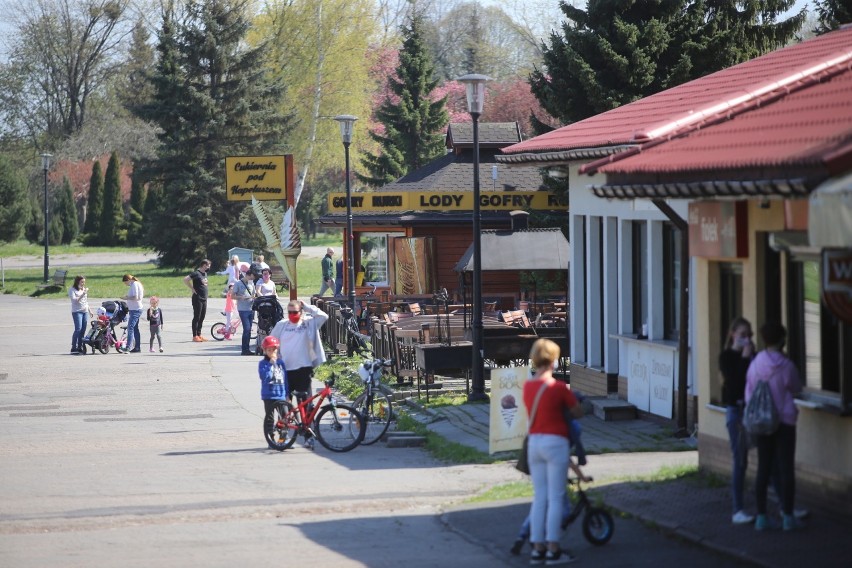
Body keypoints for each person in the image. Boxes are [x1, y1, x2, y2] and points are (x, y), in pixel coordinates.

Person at [524, 338, 582, 565]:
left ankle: (537, 548)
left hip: (534, 444)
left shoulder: (528, 386)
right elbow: (577, 412)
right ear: (553, 360)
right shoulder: (557, 387)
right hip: (555, 442)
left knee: (540, 497)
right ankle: (553, 549)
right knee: (557, 497)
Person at [746, 322, 803, 532]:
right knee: (786, 468)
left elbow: (749, 391)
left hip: (763, 421)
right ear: (782, 340)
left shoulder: (756, 363)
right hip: (785, 421)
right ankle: (788, 516)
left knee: (763, 468)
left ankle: (761, 517)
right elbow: (796, 387)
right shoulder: (787, 366)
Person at [511, 420, 591, 556]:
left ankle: (522, 535)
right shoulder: (561, 440)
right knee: (562, 509)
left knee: (539, 505)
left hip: (540, 465)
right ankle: (550, 539)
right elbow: (570, 463)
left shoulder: (546, 432)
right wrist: (582, 478)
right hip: (554, 477)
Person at [269, 300, 328, 448]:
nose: (292, 315)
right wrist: (274, 357)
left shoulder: (308, 323)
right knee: (284, 404)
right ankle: (284, 433)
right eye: (289, 312)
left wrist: (308, 307)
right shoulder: (282, 325)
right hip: (285, 370)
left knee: (305, 403)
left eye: (295, 312)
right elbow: (270, 341)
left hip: (303, 368)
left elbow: (323, 316)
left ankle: (308, 435)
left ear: (301, 312)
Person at [719, 317, 756, 525]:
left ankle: (786, 506)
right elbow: (734, 384)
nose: (747, 340)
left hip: (754, 411)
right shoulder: (726, 357)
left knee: (773, 457)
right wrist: (744, 358)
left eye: (749, 336)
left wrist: (752, 357)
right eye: (743, 336)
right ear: (733, 335)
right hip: (737, 413)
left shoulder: (753, 355)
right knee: (740, 460)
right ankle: (737, 509)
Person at [258, 335, 288, 450]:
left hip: (280, 394)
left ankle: (283, 440)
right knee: (269, 418)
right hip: (269, 395)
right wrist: (270, 364)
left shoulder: (281, 362)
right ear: (265, 351)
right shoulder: (263, 364)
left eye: (274, 349)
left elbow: (285, 379)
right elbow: (264, 377)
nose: (272, 352)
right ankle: (270, 439)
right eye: (269, 350)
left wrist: (287, 393)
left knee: (284, 418)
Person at [184, 259, 211, 342]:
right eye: (208, 265)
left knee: (202, 317)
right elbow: (185, 279)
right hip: (197, 298)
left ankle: (199, 335)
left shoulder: (205, 273)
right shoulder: (196, 273)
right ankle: (194, 336)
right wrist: (192, 288)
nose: (209, 267)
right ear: (203, 265)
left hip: (204, 298)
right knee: (197, 317)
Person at [233, 266, 256, 355]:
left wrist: (254, 298)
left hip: (250, 308)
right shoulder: (238, 283)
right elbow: (232, 296)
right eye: (251, 277)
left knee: (249, 329)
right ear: (248, 275)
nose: (252, 279)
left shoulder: (252, 284)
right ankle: (244, 349)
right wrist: (241, 297)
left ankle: (247, 349)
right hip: (243, 309)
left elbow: (253, 294)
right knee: (246, 329)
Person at [122, 274, 144, 353]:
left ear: (128, 280)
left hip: (136, 309)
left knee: (130, 328)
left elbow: (136, 297)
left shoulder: (134, 284)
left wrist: (126, 297)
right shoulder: (136, 284)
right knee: (135, 328)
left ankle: (128, 347)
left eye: (125, 283)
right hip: (134, 309)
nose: (126, 284)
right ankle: (137, 347)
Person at [69, 275, 90, 355]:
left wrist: (90, 310)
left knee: (83, 330)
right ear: (77, 282)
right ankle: (74, 347)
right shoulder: (72, 290)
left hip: (85, 311)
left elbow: (85, 301)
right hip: (77, 311)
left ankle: (80, 347)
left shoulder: (83, 289)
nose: (83, 283)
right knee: (78, 329)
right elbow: (75, 301)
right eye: (82, 282)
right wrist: (83, 294)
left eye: (84, 282)